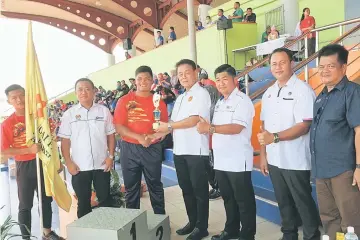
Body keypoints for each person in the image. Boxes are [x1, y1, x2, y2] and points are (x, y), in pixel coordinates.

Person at [257, 48, 321, 240]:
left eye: (282, 62)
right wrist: (263, 154)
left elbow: (304, 125)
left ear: (291, 63)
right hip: (275, 158)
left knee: (302, 200)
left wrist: (274, 137)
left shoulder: (303, 90)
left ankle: (311, 235)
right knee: (283, 200)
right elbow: (264, 126)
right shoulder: (268, 93)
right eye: (274, 63)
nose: (278, 67)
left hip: (296, 158)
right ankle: (289, 234)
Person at [197, 64, 256, 240]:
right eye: (218, 80)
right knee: (228, 198)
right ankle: (231, 230)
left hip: (238, 160)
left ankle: (247, 234)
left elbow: (237, 128)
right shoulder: (221, 102)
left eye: (225, 79)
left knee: (243, 201)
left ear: (234, 80)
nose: (221, 83)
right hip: (222, 160)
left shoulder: (242, 100)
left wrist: (210, 127)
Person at [155, 59, 211, 240]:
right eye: (180, 74)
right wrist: (160, 133)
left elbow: (194, 119)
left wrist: (169, 127)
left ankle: (202, 227)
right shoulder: (180, 98)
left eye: (187, 72)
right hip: (180, 151)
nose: (184, 77)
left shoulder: (201, 94)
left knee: (200, 192)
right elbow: (175, 124)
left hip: (196, 151)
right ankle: (193, 222)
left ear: (196, 72)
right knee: (186, 190)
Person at [1, 84, 64, 240]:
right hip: (24, 166)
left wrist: (57, 162)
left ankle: (47, 232)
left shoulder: (39, 118)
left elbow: (51, 141)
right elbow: (4, 151)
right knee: (25, 204)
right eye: (14, 97)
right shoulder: (7, 124)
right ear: (9, 101)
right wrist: (27, 151)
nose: (19, 99)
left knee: (45, 199)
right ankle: (26, 237)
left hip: (43, 163)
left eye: (22, 95)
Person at [310, 44, 360, 239]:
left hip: (344, 171)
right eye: (321, 67)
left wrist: (359, 166)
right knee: (330, 219)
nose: (324, 71)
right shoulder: (321, 97)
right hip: (322, 171)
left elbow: (359, 131)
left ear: (344, 67)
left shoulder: (352, 93)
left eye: (330, 66)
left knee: (351, 222)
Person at [113, 66, 167, 214]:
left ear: (152, 81)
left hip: (152, 148)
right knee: (131, 188)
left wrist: (152, 137)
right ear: (135, 81)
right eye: (140, 79)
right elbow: (119, 126)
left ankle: (160, 219)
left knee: (155, 185)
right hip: (130, 149)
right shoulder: (125, 100)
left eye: (147, 79)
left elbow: (164, 127)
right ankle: (133, 224)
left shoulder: (159, 102)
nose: (143, 82)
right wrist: (139, 138)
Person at [58, 78, 115, 218]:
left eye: (87, 89)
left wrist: (111, 157)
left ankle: (108, 232)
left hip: (102, 165)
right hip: (79, 167)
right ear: (76, 93)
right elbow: (65, 141)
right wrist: (68, 162)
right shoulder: (69, 114)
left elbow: (110, 135)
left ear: (94, 91)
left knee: (105, 200)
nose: (84, 92)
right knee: (83, 203)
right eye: (80, 89)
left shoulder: (104, 111)